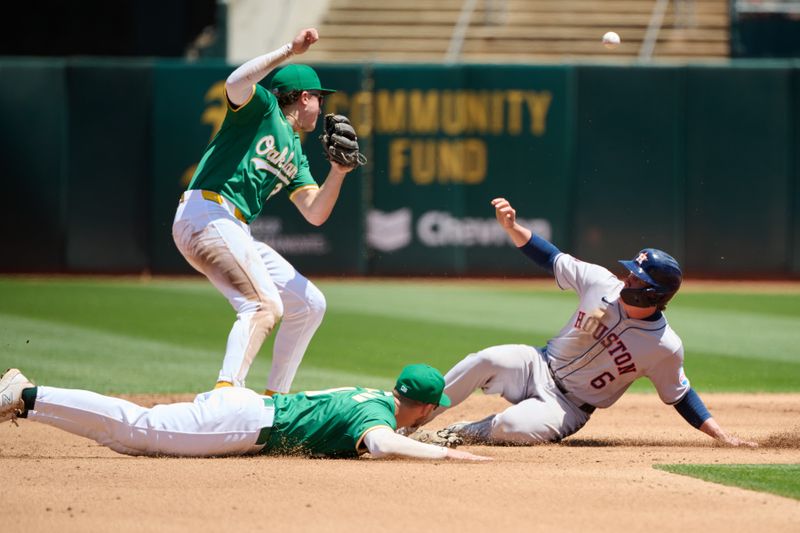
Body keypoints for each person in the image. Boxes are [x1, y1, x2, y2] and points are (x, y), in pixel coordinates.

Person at [413, 197, 758, 448]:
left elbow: (681, 396)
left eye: (637, 280)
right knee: (484, 360)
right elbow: (551, 257)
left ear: (654, 295)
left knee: (510, 426)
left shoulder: (664, 347)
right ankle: (412, 422)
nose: (627, 280)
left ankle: (458, 433)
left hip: (566, 407)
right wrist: (512, 227)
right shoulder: (600, 281)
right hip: (538, 364)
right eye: (630, 273)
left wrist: (722, 436)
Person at [172, 28, 360, 395]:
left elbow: (314, 212)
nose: (321, 106)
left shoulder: (296, 153)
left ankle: (276, 400)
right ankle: (226, 392)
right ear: (304, 97)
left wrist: (339, 173)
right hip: (207, 212)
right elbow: (235, 81)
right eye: (319, 99)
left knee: (309, 304)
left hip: (233, 227)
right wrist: (290, 50)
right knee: (262, 306)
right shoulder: (262, 109)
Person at [0, 366, 489, 461]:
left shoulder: (373, 398)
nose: (432, 417)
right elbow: (382, 443)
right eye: (433, 410)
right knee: (139, 427)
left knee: (129, 438)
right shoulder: (379, 418)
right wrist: (444, 457)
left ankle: (28, 405)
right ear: (423, 408)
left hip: (247, 412)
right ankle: (26, 395)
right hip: (243, 423)